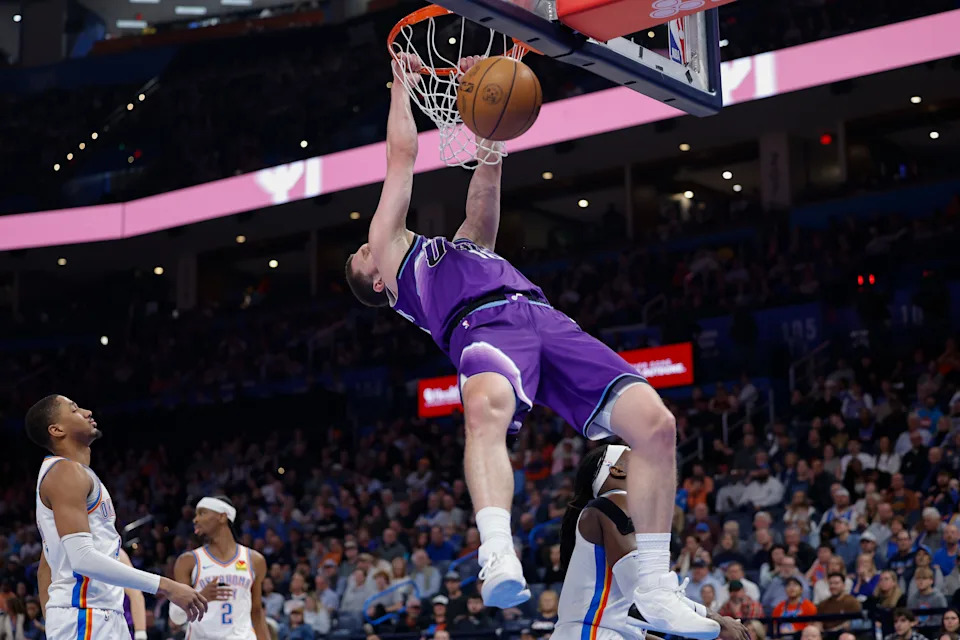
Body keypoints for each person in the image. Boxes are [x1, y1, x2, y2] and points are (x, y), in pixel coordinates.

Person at [344, 53, 721, 640]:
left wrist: (489, 112)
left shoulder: (465, 247)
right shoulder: (396, 263)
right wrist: (401, 87)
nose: (364, 245)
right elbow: (402, 157)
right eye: (360, 254)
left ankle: (653, 586)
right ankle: (497, 552)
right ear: (374, 280)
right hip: (482, 328)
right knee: (485, 410)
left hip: (545, 318)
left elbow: (485, 184)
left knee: (657, 425)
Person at [25, 394, 206, 639]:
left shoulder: (78, 474)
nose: (88, 411)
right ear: (56, 430)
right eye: (75, 409)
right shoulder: (64, 472)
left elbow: (46, 566)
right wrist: (167, 586)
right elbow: (82, 559)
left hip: (102, 613)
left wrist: (55, 622)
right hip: (85, 616)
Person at [553, 444, 748, 640]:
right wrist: (718, 621)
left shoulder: (616, 509)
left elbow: (635, 617)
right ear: (617, 470)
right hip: (591, 631)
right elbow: (646, 592)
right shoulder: (614, 501)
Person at [169, 496, 270, 640]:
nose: (195, 519)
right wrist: (201, 597)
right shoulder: (188, 561)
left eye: (202, 513)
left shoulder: (254, 560)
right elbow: (176, 618)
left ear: (222, 517)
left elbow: (256, 611)